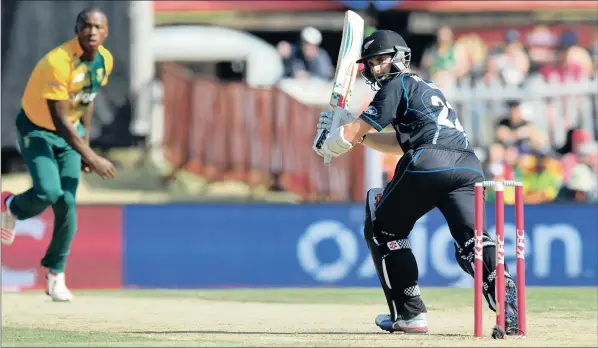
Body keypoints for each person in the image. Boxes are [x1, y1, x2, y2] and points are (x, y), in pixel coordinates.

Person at [313, 30, 519, 334]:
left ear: (400, 56)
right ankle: (501, 290)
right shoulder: (427, 86)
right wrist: (355, 136)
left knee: (382, 223)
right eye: (372, 63)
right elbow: (401, 141)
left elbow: (351, 134)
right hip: (468, 164)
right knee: (470, 242)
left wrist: (330, 141)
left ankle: (409, 314)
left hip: (428, 163)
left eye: (381, 60)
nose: (376, 68)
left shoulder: (396, 85)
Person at [0, 8, 117, 302]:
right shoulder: (58, 62)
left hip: (72, 134)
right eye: (86, 26)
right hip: (38, 129)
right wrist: (91, 156)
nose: (91, 32)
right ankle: (10, 205)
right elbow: (61, 121)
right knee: (49, 191)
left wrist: (86, 143)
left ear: (106, 32)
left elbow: (86, 102)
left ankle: (56, 274)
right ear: (77, 29)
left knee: (67, 202)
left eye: (97, 27)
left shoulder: (105, 61)